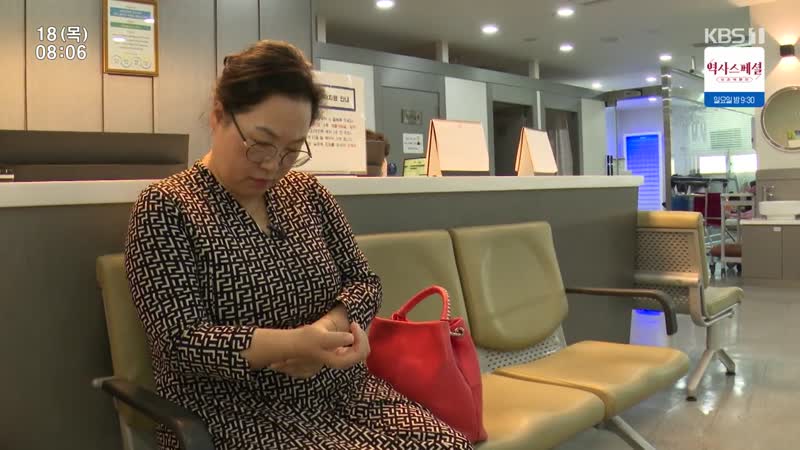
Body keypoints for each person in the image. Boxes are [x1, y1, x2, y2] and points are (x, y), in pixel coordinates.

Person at [124, 40, 472, 450]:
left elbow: (364, 283)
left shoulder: (307, 193)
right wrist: (292, 345)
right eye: (260, 144)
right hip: (234, 412)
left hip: (343, 393)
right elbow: (180, 341)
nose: (273, 165)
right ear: (219, 115)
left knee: (448, 445)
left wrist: (330, 331)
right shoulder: (168, 206)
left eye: (291, 151)